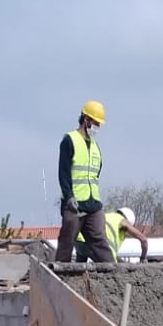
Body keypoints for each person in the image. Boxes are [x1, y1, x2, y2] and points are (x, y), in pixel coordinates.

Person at [55, 101, 111, 264]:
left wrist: (96, 202)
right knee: (67, 241)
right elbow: (63, 172)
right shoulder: (69, 140)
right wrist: (69, 196)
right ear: (86, 119)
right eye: (95, 123)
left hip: (93, 204)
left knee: (100, 241)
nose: (97, 127)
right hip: (75, 204)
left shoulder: (95, 146)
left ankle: (114, 274)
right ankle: (60, 276)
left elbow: (96, 173)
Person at [78, 206, 150, 264]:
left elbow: (113, 257)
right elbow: (143, 240)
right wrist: (143, 258)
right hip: (96, 244)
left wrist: (124, 263)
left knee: (78, 270)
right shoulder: (122, 220)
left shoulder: (106, 216)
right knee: (113, 270)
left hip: (79, 241)